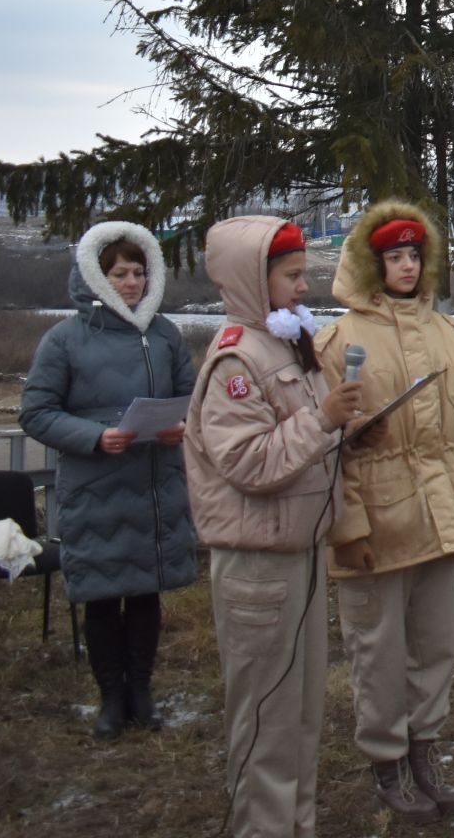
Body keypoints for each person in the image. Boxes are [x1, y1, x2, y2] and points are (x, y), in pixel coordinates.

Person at [318, 202, 454, 822]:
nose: (405, 266)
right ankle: (386, 763)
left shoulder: (447, 336)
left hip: (440, 517)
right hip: (377, 522)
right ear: (373, 265)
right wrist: (347, 531)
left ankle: (425, 752)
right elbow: (330, 450)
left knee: (436, 647)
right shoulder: (340, 341)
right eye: (393, 256)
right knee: (377, 652)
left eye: (413, 255)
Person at [185, 217, 366, 838]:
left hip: (300, 552)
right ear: (251, 281)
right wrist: (321, 419)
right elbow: (247, 462)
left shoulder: (288, 344)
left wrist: (347, 426)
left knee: (300, 710)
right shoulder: (237, 359)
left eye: (302, 273)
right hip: (258, 566)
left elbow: (302, 440)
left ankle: (296, 823)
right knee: (265, 716)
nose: (302, 285)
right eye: (290, 275)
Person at [21, 221, 197, 738]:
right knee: (101, 596)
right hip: (95, 487)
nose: (131, 282)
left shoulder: (163, 334)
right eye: (119, 273)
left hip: (153, 486)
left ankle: (141, 691)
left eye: (139, 272)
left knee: (145, 594)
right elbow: (37, 412)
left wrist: (180, 426)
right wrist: (97, 436)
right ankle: (110, 699)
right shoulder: (65, 338)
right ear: (96, 277)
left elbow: (191, 397)